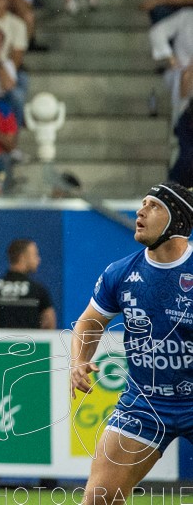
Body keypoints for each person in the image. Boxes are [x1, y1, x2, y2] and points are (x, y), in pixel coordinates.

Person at [70, 186, 193, 503]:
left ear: (177, 220)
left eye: (153, 206)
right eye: (141, 204)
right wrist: (78, 360)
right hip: (146, 403)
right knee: (99, 498)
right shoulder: (121, 272)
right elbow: (89, 322)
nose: (140, 211)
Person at [0, 238, 55, 330]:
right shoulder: (37, 289)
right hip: (31, 344)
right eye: (35, 255)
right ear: (23, 257)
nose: (38, 260)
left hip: (3, 344)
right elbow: (50, 322)